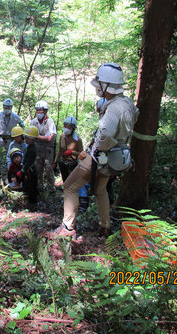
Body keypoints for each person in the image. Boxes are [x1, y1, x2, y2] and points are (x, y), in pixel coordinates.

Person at [49, 63, 138, 239]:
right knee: (100, 190)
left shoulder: (113, 108)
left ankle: (67, 228)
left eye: (100, 84)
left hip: (100, 156)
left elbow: (105, 135)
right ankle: (105, 227)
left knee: (69, 187)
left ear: (107, 85)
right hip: (114, 156)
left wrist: (91, 152)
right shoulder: (126, 103)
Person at [53, 116, 89, 212]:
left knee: (73, 183)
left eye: (69, 127)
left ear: (73, 129)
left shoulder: (78, 140)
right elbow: (60, 150)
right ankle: (67, 200)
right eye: (66, 126)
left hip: (73, 164)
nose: (67, 128)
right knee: (66, 182)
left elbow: (82, 154)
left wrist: (72, 152)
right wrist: (55, 162)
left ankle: (76, 202)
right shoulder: (62, 136)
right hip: (63, 163)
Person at [30, 100, 56, 191]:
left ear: (45, 111)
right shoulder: (33, 122)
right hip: (37, 149)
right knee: (38, 168)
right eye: (37, 110)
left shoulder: (50, 122)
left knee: (49, 168)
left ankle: (51, 187)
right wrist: (41, 138)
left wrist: (36, 137)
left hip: (48, 149)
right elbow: (30, 137)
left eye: (40, 110)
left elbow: (49, 138)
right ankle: (40, 186)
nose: (38, 112)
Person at [15, 126, 39, 209]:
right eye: (26, 137)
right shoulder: (30, 146)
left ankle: (33, 203)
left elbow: (29, 162)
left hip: (31, 171)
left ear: (34, 139)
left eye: (28, 138)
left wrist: (22, 171)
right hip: (28, 170)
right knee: (28, 185)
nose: (26, 139)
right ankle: (29, 200)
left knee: (32, 186)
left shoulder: (33, 149)